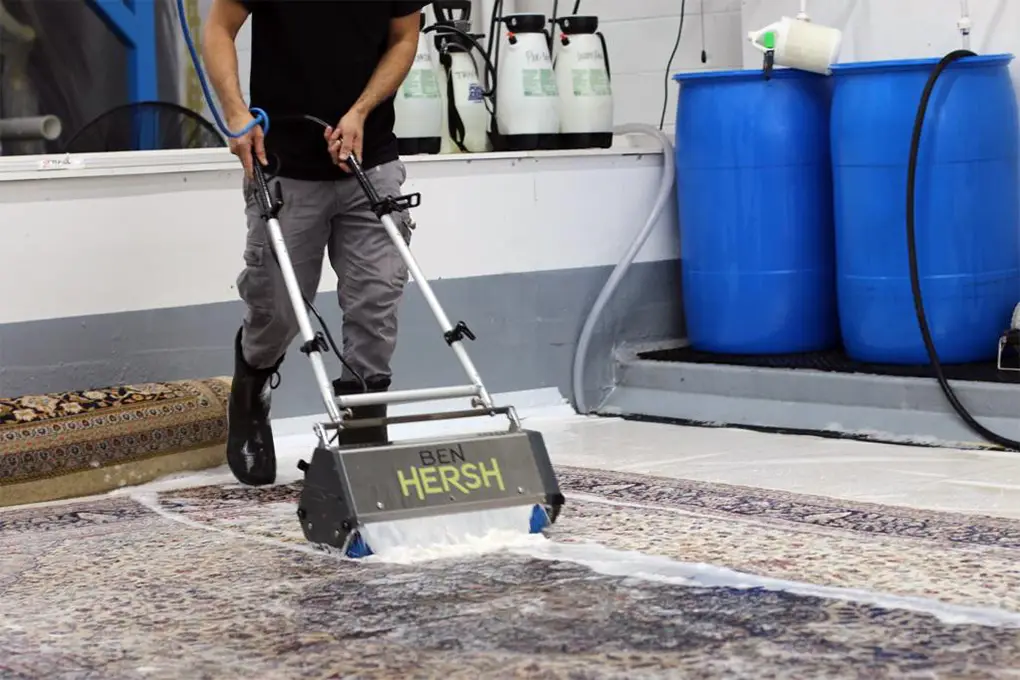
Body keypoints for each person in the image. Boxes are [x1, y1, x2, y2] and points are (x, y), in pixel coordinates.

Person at [202, 0, 430, 487]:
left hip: (368, 158)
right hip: (284, 163)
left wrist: (362, 110)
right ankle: (252, 390)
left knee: (377, 297)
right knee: (279, 307)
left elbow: (404, 38)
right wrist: (236, 113)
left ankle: (364, 437)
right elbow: (219, 28)